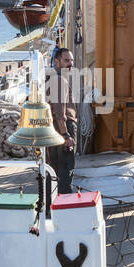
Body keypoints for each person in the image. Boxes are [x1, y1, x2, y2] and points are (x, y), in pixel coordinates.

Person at [46, 47, 78, 195]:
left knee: (55, 169)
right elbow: (60, 111)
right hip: (63, 128)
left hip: (55, 128)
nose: (70, 64)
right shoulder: (59, 80)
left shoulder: (54, 78)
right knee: (66, 168)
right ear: (56, 61)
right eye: (66, 60)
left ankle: (51, 205)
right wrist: (66, 134)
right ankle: (65, 204)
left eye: (71, 60)